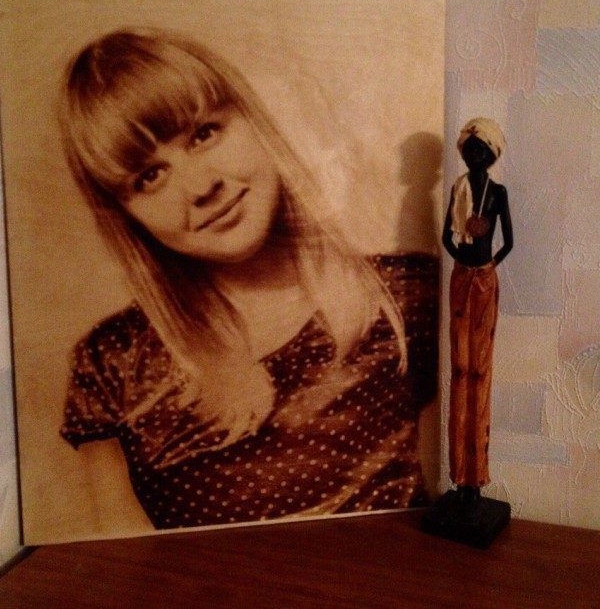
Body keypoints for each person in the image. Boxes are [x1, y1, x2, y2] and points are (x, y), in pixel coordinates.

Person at [59, 27, 439, 530]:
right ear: (127, 216)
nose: (202, 187)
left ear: (251, 119)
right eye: (150, 176)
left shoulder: (404, 297)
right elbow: (121, 556)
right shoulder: (115, 364)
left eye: (204, 134)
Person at [441, 117, 513, 506]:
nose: (475, 155)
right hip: (461, 279)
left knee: (480, 371)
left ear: (491, 154)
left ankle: (477, 477)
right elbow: (446, 237)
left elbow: (509, 241)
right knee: (460, 370)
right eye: (470, 149)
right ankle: (459, 477)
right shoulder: (459, 190)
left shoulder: (497, 193)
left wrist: (486, 266)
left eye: (481, 150)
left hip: (483, 281)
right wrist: (463, 260)